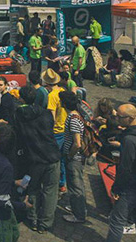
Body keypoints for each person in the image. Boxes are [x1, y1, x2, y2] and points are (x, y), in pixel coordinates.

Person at [13, 86, 60, 234]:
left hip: (34, 157)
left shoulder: (20, 116)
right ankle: (44, 223)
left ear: (22, 98)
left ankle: (32, 218)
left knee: (32, 188)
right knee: (50, 191)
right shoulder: (45, 114)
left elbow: (18, 135)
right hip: (52, 156)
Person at [105, 104, 136, 242]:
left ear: (131, 118)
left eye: (120, 117)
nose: (117, 119)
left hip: (131, 185)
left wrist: (116, 188)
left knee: (117, 220)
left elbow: (125, 167)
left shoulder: (130, 139)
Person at [59, 90, 87, 223]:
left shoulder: (73, 119)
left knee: (76, 186)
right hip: (75, 157)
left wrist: (69, 155)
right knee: (75, 185)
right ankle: (77, 207)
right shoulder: (76, 115)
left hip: (74, 158)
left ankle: (79, 214)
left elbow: (77, 143)